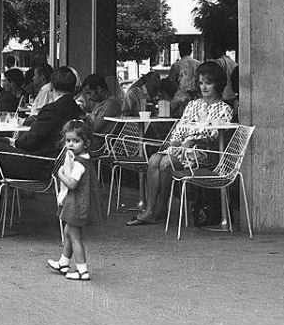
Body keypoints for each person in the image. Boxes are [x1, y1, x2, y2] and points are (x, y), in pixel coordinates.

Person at [0, 67, 83, 240]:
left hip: (41, 165)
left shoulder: (52, 110)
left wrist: (14, 142)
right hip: (56, 164)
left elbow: (30, 142)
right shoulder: (75, 110)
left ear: (52, 87)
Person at [127, 61, 232, 226]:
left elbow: (215, 137)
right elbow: (180, 129)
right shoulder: (193, 105)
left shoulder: (225, 109)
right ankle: (150, 209)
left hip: (204, 153)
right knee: (154, 159)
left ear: (217, 84)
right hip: (182, 150)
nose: (204, 87)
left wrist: (192, 141)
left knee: (166, 163)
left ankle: (160, 209)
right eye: (201, 83)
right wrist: (175, 142)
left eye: (208, 83)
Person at [48, 118, 103, 281]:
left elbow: (72, 184)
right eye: (68, 141)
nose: (71, 144)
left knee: (75, 237)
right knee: (68, 231)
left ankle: (82, 270)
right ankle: (63, 262)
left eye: (76, 141)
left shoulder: (79, 162)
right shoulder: (84, 157)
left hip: (76, 205)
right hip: (78, 203)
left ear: (86, 143)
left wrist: (60, 174)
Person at [79, 73, 125, 140]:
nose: (88, 98)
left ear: (98, 89)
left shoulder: (110, 105)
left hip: (98, 143)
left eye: (89, 93)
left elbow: (94, 128)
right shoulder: (100, 102)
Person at [168, 40, 199, 109]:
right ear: (191, 51)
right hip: (195, 97)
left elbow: (171, 83)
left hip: (179, 98)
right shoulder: (198, 64)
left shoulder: (176, 65)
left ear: (180, 51)